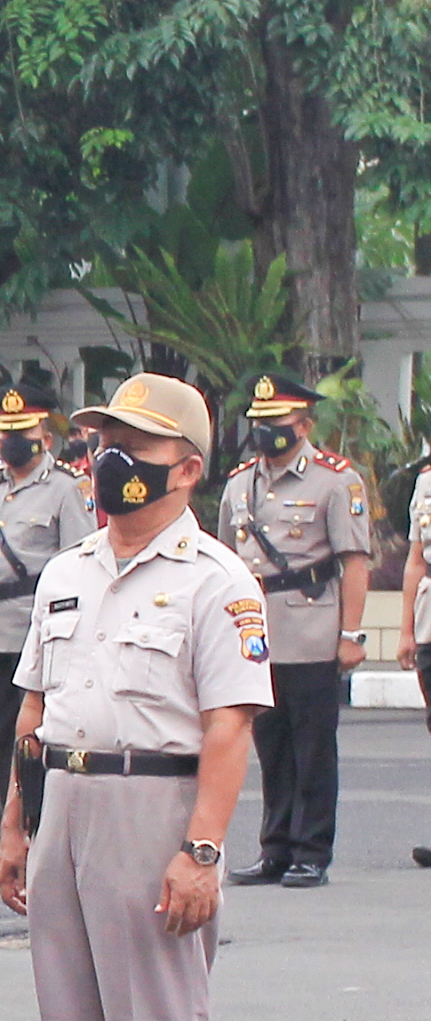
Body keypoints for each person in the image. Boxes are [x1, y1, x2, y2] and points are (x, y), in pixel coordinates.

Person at [0, 371, 267, 1021]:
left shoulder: (216, 581)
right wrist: (14, 825)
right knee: (71, 1019)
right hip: (64, 797)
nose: (109, 464)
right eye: (103, 443)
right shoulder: (68, 571)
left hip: (155, 801)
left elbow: (230, 725)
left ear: (187, 469)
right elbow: (33, 707)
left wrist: (201, 851)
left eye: (133, 449)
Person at [214, 373, 371, 886]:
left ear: (304, 423)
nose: (265, 431)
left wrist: (351, 634)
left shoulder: (336, 479)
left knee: (312, 749)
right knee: (270, 748)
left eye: (277, 422)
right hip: (254, 634)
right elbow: (223, 563)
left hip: (310, 628)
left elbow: (353, 561)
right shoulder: (240, 483)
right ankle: (275, 847)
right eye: (259, 423)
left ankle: (311, 850)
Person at [0, 389, 92, 866]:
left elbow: (82, 564)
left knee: (40, 737)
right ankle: (7, 832)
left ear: (44, 434)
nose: (10, 439)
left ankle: (43, 832)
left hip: (41, 628)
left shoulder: (66, 488)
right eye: (5, 431)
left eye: (22, 432)